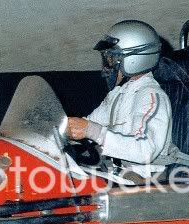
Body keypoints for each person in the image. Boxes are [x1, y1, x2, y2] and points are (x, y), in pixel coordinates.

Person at [66, 20, 172, 182]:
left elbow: (145, 149)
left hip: (144, 179)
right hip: (115, 172)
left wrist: (92, 131)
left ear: (135, 59)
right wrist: (65, 131)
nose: (108, 64)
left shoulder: (151, 96)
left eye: (112, 58)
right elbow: (89, 124)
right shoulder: (118, 93)